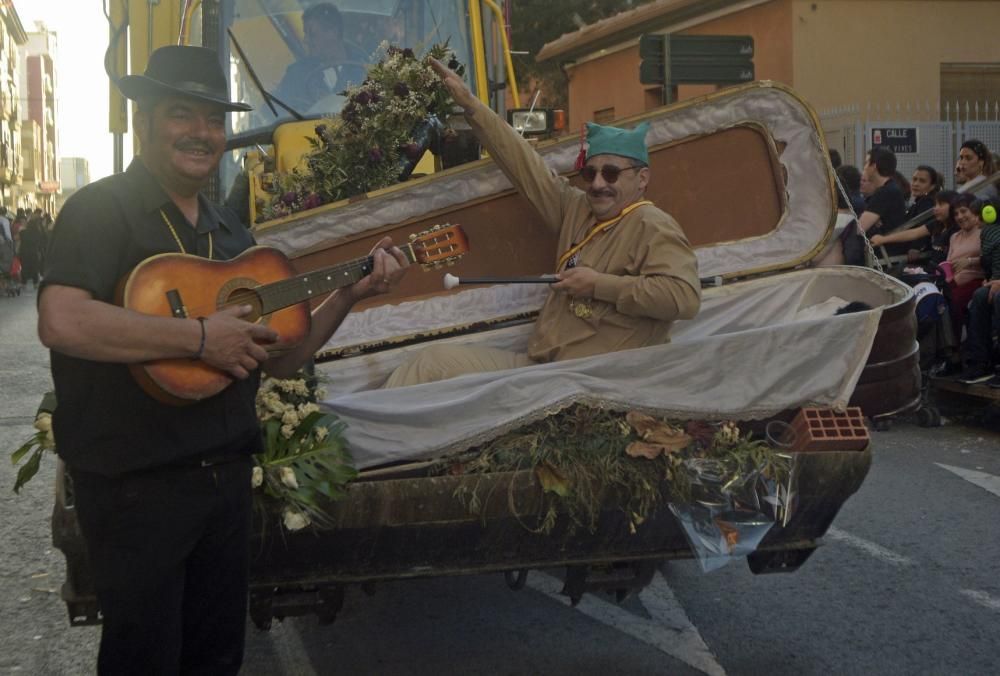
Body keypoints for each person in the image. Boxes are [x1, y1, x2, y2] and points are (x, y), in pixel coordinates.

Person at [36, 45, 408, 675]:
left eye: (214, 120)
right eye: (183, 114)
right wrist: (200, 339)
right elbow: (61, 319)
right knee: (144, 659)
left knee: (215, 658)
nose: (202, 133)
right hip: (136, 485)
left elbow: (282, 363)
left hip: (224, 482)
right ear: (145, 120)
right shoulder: (99, 211)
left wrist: (348, 293)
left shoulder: (230, 234)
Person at [383, 58, 700, 388]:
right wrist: (470, 104)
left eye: (611, 173)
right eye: (590, 173)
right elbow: (524, 165)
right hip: (538, 369)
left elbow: (684, 298)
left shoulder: (652, 224)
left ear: (642, 178)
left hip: (587, 382)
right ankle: (363, 438)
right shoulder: (577, 208)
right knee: (430, 364)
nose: (597, 184)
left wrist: (597, 285)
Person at [273, 2, 367, 114]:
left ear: (333, 32)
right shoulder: (296, 74)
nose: (306, 40)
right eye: (305, 34)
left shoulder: (364, 71)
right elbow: (275, 111)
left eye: (312, 34)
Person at [956, 198, 1000, 385]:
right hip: (994, 281)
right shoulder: (988, 234)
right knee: (980, 296)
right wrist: (991, 279)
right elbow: (990, 262)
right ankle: (981, 363)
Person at [869, 165, 943, 255]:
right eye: (914, 179)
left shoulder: (926, 202)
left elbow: (923, 226)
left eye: (922, 181)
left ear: (932, 186)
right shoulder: (919, 202)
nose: (916, 184)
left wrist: (916, 247)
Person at [943, 193, 984, 337]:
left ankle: (957, 347)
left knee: (954, 300)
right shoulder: (954, 237)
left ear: (974, 211)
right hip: (953, 282)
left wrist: (969, 261)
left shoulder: (985, 232)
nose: (960, 217)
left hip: (976, 281)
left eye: (964, 211)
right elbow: (948, 263)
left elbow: (990, 258)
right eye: (956, 214)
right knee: (937, 299)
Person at [860, 147, 908, 258]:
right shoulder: (890, 189)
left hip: (884, 256)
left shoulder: (885, 192)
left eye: (867, 163)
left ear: (874, 166)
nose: (864, 167)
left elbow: (860, 227)